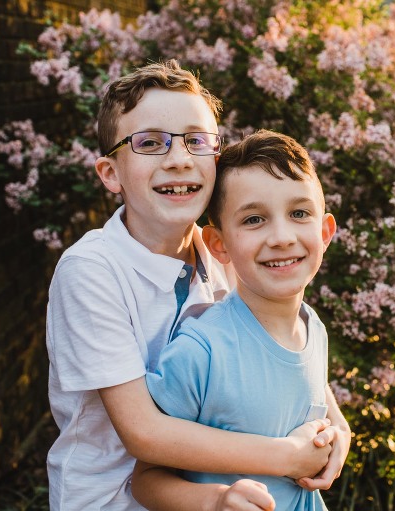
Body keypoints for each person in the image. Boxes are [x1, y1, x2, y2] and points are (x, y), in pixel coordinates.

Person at [46, 60, 344, 511]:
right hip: (113, 500)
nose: (179, 158)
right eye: (149, 143)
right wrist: (288, 457)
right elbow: (144, 432)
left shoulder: (224, 254)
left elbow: (279, 345)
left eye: (196, 140)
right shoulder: (91, 270)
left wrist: (333, 429)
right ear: (110, 174)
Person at [133, 130, 352, 510]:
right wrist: (218, 502)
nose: (282, 237)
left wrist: (338, 435)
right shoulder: (201, 351)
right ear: (219, 244)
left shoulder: (313, 328)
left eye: (299, 213)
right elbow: (146, 481)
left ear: (325, 231)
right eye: (254, 219)